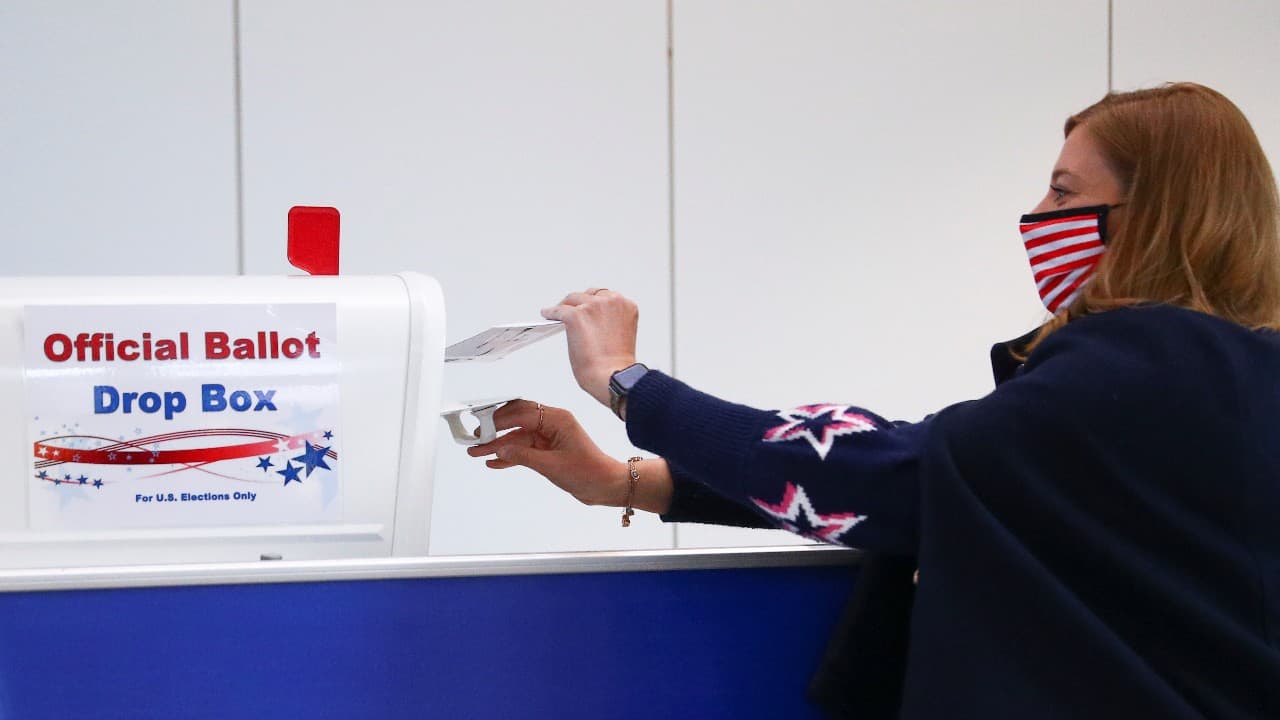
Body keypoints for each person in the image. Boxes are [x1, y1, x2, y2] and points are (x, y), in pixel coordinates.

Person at [468, 83, 1280, 719]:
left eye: (1065, 196)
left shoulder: (1144, 356)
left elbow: (886, 474)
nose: (1037, 217)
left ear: (1158, 217)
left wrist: (628, 381)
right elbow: (967, 488)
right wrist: (625, 482)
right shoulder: (1239, 371)